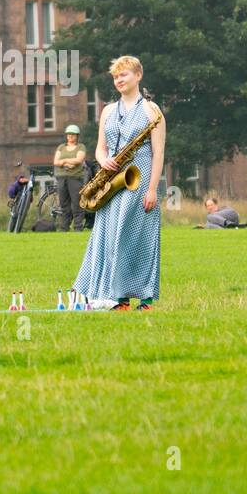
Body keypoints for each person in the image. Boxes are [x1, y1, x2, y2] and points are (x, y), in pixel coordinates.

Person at [73, 55, 165, 311]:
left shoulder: (152, 111)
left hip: (140, 178)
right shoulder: (108, 111)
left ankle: (145, 299)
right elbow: (100, 149)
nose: (118, 80)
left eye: (123, 75)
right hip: (112, 182)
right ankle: (119, 298)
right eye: (115, 77)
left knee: (138, 238)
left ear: (138, 75)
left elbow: (158, 152)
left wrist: (152, 189)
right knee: (112, 237)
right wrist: (105, 161)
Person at [53, 124, 87, 232]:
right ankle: (64, 228)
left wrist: (63, 162)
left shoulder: (81, 147)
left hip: (75, 178)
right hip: (61, 177)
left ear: (77, 136)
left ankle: (78, 227)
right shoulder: (61, 147)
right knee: (64, 204)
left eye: (73, 134)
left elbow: (79, 160)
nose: (71, 136)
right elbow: (56, 162)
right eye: (69, 134)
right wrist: (66, 163)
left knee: (77, 203)